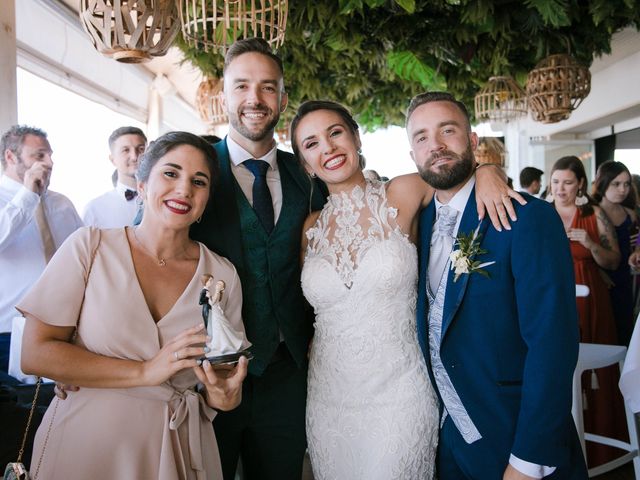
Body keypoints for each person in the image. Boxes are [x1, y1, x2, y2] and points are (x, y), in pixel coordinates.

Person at [289, 99, 522, 479]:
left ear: (356, 137)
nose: (328, 148)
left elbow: (453, 177)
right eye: (311, 144)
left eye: (335, 133)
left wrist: (489, 170)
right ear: (304, 163)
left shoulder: (404, 191)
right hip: (329, 395)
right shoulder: (310, 227)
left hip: (399, 394)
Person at [18, 131, 248, 479]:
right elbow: (35, 354)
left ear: (206, 198)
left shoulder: (221, 275)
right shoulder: (90, 247)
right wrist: (144, 372)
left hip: (178, 447)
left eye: (198, 181)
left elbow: (223, 389)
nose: (184, 189)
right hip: (86, 445)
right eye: (170, 173)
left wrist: (224, 396)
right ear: (142, 184)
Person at [408, 92, 587, 479]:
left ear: (473, 141)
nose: (435, 145)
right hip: (445, 445)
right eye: (421, 137)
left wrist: (528, 458)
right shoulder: (412, 225)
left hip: (515, 439)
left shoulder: (528, 218)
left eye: (447, 130)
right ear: (412, 155)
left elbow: (552, 344)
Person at [188, 38, 329, 480]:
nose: (255, 98)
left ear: (283, 99)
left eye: (268, 88)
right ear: (224, 96)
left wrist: (483, 171)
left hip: (288, 374)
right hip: (205, 374)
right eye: (242, 86)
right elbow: (145, 250)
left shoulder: (308, 175)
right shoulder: (192, 168)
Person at [549, 155, 627, 468]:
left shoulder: (593, 214)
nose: (561, 189)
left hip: (593, 300)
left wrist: (591, 244)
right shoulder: (542, 214)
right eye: (556, 182)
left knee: (597, 373)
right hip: (555, 300)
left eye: (568, 182)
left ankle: (602, 449)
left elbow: (614, 261)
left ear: (580, 183)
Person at [0, 125, 82, 374]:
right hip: (7, 333)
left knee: (52, 408)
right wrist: (28, 195)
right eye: (39, 155)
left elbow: (84, 258)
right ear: (11, 157)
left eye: (50, 155)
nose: (49, 162)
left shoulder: (63, 204)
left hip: (62, 329)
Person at [593, 160, 638, 346]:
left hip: (626, 280)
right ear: (603, 183)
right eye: (616, 184)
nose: (622, 189)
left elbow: (637, 241)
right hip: (599, 281)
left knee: (626, 330)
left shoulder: (631, 214)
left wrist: (637, 252)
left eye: (627, 184)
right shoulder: (590, 214)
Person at [82, 126, 147, 228]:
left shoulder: (165, 202)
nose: (135, 157)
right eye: (126, 150)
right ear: (112, 159)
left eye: (141, 149)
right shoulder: (94, 209)